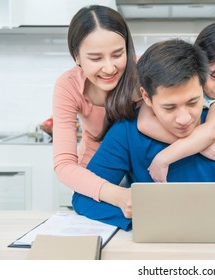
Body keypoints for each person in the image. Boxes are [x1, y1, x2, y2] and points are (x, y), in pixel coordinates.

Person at [72, 39, 215, 231]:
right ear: (146, 98)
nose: (184, 118)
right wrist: (139, 215)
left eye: (193, 102)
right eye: (169, 107)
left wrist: (204, 215)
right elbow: (83, 199)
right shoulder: (126, 132)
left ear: (203, 87)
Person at [136, 21, 215, 182]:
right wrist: (202, 146)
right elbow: (144, 123)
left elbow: (211, 132)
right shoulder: (172, 86)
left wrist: (164, 158)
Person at [52, 5, 141, 212]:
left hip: (141, 172)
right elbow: (64, 164)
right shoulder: (68, 85)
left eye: (118, 54)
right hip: (95, 175)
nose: (109, 68)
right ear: (76, 56)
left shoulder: (144, 73)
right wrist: (116, 195)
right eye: (96, 58)